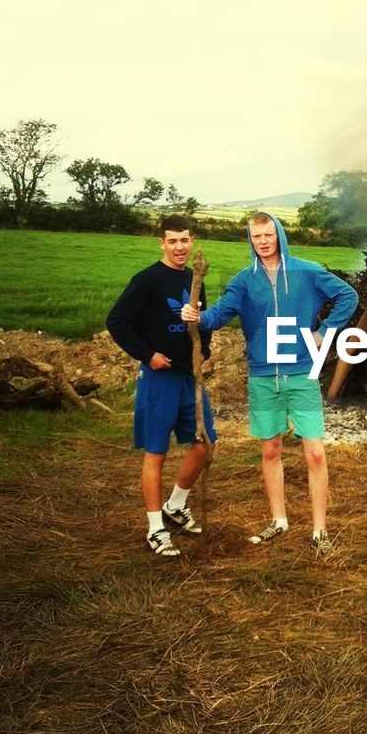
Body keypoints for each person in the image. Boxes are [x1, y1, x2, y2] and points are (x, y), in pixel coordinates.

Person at [185, 212, 358, 553]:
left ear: (278, 234)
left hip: (302, 374)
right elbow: (218, 315)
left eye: (268, 234)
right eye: (256, 236)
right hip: (264, 378)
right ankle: (278, 521)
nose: (263, 241)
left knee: (316, 453)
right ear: (250, 239)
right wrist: (198, 317)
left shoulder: (306, 271)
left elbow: (348, 296)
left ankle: (320, 530)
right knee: (270, 449)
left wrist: (324, 333)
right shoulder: (243, 281)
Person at [106, 214, 217, 556]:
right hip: (159, 379)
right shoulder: (148, 280)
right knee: (157, 452)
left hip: (190, 377)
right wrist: (147, 354)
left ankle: (175, 505)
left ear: (192, 240)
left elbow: (203, 322)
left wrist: (206, 351)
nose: (179, 247)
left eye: (184, 240)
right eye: (172, 241)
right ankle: (155, 528)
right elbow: (117, 322)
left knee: (204, 444)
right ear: (162, 243)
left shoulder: (195, 277)